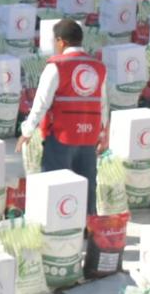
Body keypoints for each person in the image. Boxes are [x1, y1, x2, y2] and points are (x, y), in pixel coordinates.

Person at [16, 19, 108, 214]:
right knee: (87, 185)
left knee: (56, 187)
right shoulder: (98, 67)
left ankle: (57, 229)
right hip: (88, 136)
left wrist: (27, 130)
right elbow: (102, 103)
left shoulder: (56, 66)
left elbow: (42, 102)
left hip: (62, 136)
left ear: (61, 42)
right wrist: (103, 133)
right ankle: (87, 228)